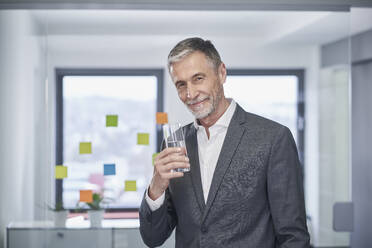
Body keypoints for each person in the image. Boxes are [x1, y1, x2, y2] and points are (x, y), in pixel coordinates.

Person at [139, 37, 310, 247]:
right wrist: (156, 188)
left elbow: (293, 237)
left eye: (198, 78)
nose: (190, 94)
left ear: (221, 73)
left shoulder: (273, 138)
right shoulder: (175, 144)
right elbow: (153, 238)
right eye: (181, 85)